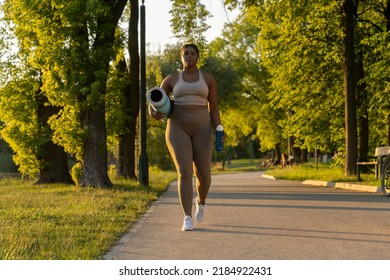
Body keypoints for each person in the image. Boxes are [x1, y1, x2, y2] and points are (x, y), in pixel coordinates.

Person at [149, 43, 223, 231]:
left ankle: (202, 201)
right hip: (177, 127)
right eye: (185, 54)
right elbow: (155, 101)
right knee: (184, 172)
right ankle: (187, 217)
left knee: (204, 176)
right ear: (181, 57)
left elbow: (213, 107)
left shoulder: (207, 78)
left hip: (203, 128)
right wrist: (154, 113)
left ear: (198, 57)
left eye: (192, 54)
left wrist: (219, 126)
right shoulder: (172, 79)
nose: (189, 56)